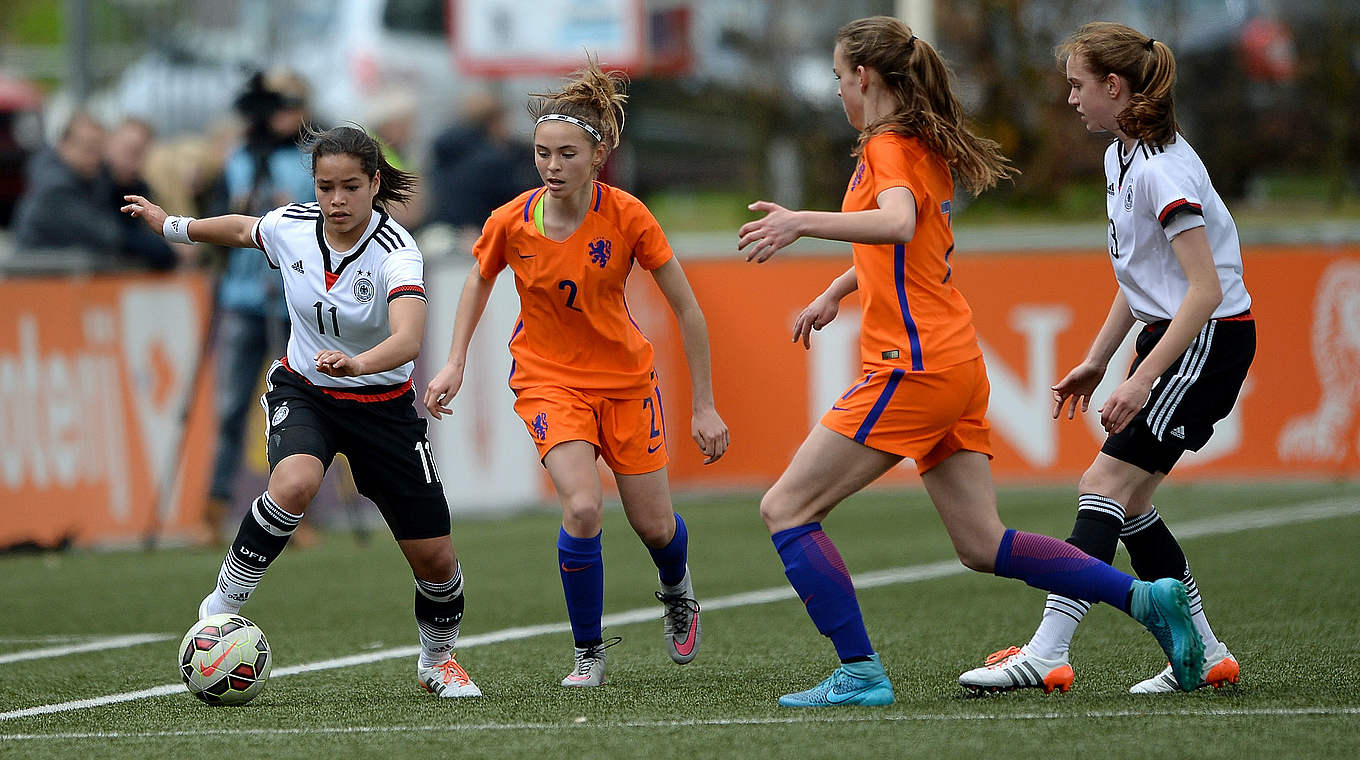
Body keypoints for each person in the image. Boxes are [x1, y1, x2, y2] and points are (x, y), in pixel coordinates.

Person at [736, 16, 1205, 708]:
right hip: (953, 362)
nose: (837, 89)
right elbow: (908, 245)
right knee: (983, 544)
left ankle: (860, 672)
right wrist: (838, 290)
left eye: (839, 76)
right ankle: (1147, 599)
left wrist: (801, 221)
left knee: (786, 508)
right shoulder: (915, 143)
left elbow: (895, 223)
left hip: (913, 366)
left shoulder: (891, 145)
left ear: (865, 77)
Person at [121, 124, 482, 698]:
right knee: (294, 482)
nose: (336, 200)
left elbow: (409, 337)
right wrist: (172, 225)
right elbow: (242, 227)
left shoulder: (397, 251)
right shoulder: (294, 226)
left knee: (436, 559)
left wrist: (360, 365)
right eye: (325, 186)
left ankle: (437, 660)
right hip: (306, 390)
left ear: (374, 185)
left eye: (350, 187)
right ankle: (220, 606)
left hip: (384, 407)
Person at [957, 21, 1253, 696]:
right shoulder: (1122, 156)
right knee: (1132, 499)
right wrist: (1099, 359)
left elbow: (1204, 293)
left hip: (1207, 341)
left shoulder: (1162, 170)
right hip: (1173, 338)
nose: (1070, 100)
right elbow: (1142, 281)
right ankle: (1207, 655)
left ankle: (1047, 650)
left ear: (1114, 88)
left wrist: (1144, 380)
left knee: (1102, 486)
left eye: (1077, 86)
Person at [423, 59, 730, 688]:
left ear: (598, 154)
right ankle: (588, 653)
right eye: (542, 153)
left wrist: (704, 404)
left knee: (654, 525)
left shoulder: (628, 217)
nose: (552, 166)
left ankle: (678, 588)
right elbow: (478, 282)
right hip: (546, 381)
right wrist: (454, 360)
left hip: (625, 382)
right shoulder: (510, 220)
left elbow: (687, 308)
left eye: (566, 154)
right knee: (583, 508)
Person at [203, 70, 318, 545]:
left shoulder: (306, 162)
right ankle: (214, 503)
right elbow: (219, 217)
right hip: (242, 296)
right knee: (230, 406)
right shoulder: (238, 159)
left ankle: (293, 510)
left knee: (298, 406)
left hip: (290, 298)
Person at [101, 117, 183, 271]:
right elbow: (113, 235)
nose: (132, 159)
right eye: (128, 149)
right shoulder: (94, 183)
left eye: (140, 152)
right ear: (110, 143)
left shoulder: (139, 187)